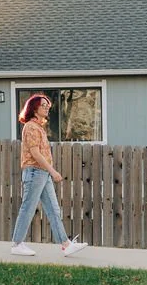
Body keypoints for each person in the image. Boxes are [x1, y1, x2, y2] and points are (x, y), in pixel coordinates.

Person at [10, 93, 88, 257]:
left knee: (53, 209)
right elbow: (35, 153)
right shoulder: (30, 127)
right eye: (43, 105)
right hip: (35, 172)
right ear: (34, 108)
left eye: (48, 106)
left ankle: (66, 244)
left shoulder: (38, 127)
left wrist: (48, 172)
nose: (47, 108)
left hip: (42, 174)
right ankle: (17, 244)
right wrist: (52, 171)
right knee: (28, 208)